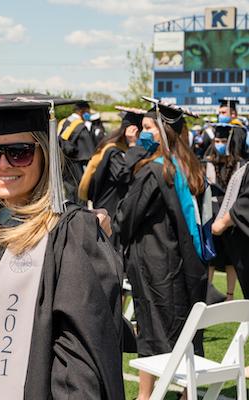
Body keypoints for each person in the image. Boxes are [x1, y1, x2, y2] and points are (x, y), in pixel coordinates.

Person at [0, 93, 124, 399]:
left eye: (19, 152)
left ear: (45, 155)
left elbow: (80, 370)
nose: (2, 164)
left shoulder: (69, 234)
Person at [117, 97, 209, 400]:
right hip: (189, 265)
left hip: (158, 265)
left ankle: (145, 396)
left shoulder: (155, 172)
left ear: (162, 133)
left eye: (147, 127)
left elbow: (125, 219)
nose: (142, 133)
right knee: (186, 331)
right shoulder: (191, 166)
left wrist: (132, 158)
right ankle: (186, 394)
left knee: (153, 332)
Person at [78, 106, 150, 221]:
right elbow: (123, 175)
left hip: (117, 208)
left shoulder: (122, 149)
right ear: (133, 131)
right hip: (109, 209)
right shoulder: (113, 151)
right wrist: (133, 145)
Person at [204, 123, 245, 301]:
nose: (219, 143)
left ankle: (229, 295)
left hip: (229, 214)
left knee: (230, 259)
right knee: (211, 257)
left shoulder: (240, 165)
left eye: (223, 140)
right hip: (212, 212)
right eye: (217, 140)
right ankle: (206, 292)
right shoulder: (207, 162)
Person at [58, 100, 98, 189]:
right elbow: (89, 151)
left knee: (69, 188)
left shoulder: (64, 122)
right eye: (88, 111)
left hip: (65, 161)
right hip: (77, 164)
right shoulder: (81, 126)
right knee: (79, 189)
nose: (89, 114)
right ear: (82, 111)